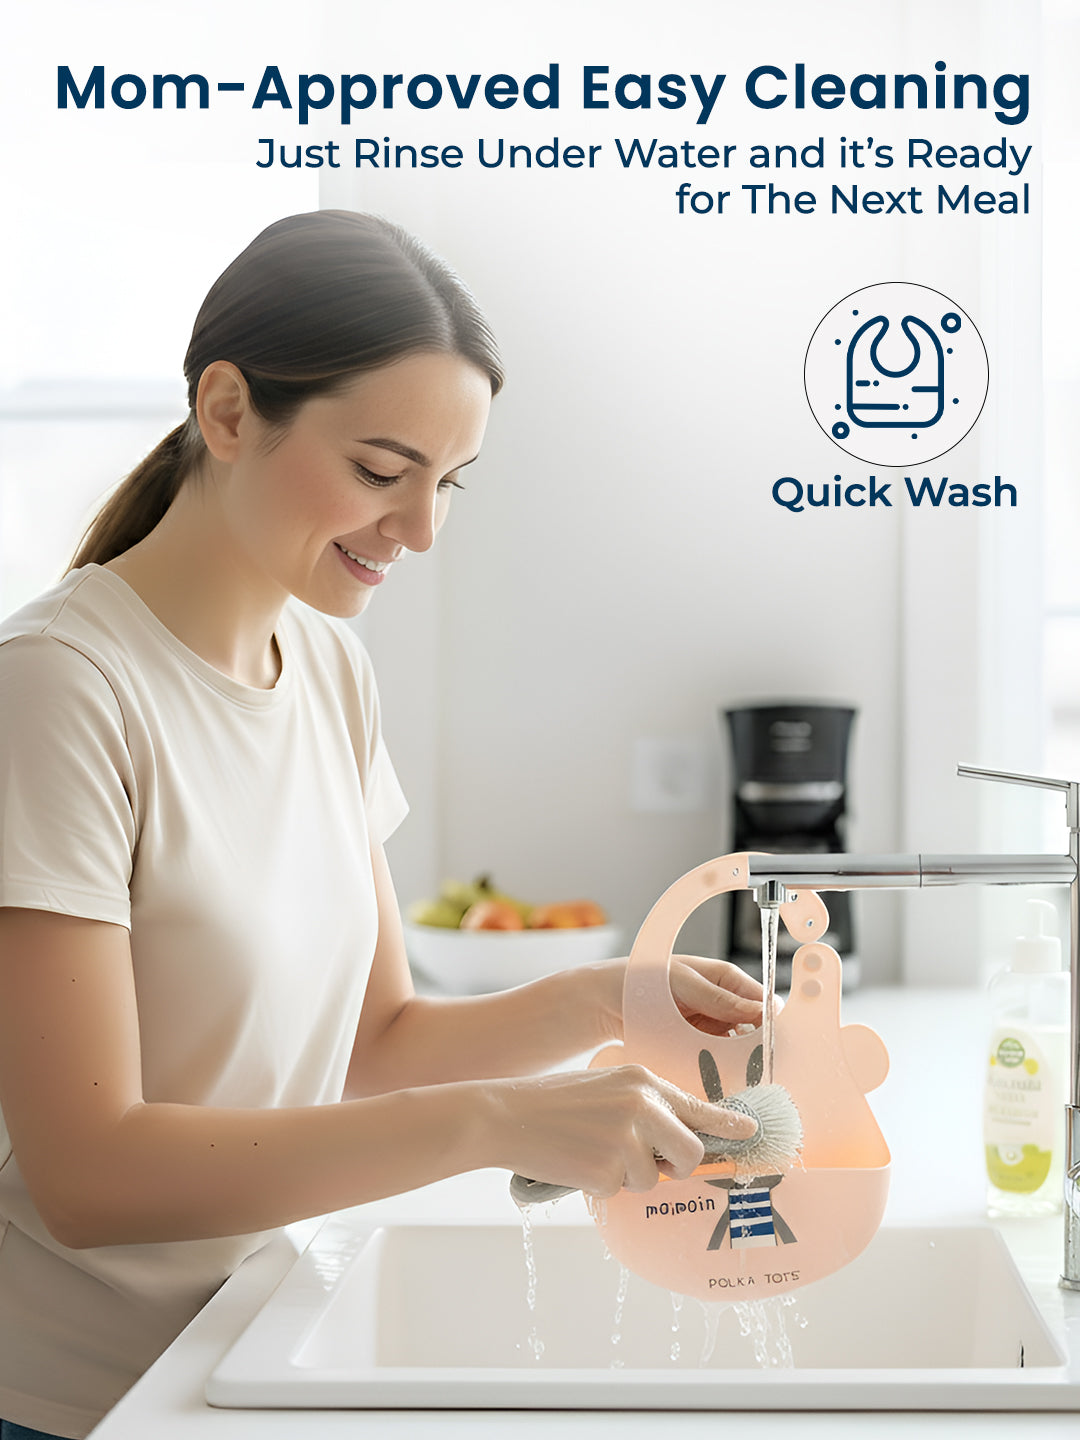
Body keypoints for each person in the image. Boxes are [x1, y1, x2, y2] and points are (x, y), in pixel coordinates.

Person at [0, 210, 763, 1440]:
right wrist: (495, 1124)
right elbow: (88, 1176)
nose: (420, 531)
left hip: (247, 1342)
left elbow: (376, 1041)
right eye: (380, 470)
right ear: (231, 411)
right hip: (78, 1398)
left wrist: (603, 1001)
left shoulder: (327, 667)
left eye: (449, 482)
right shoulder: (57, 688)